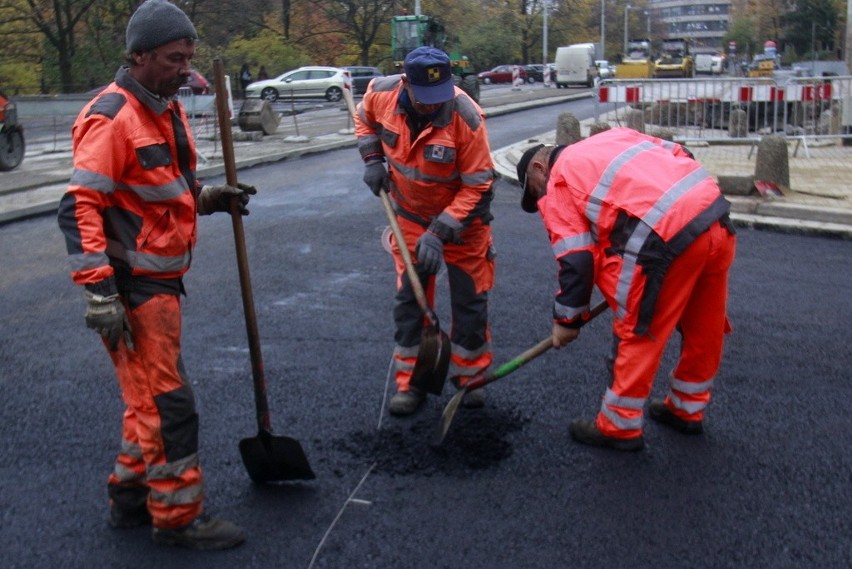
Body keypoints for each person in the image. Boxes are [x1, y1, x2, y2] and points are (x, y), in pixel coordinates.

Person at [56, 0, 255, 550]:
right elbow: (79, 208)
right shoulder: (113, 115)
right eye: (174, 58)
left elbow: (168, 187)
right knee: (169, 406)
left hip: (159, 284)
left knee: (147, 399)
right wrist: (99, 293)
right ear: (138, 55)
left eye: (190, 58)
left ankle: (128, 497)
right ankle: (177, 517)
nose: (186, 70)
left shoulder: (166, 108)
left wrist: (211, 199)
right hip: (129, 286)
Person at [516, 127, 737, 451]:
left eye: (534, 193)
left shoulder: (558, 179)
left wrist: (567, 322)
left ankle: (618, 425)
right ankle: (687, 409)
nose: (539, 201)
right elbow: (680, 154)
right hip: (714, 219)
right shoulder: (613, 137)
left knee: (637, 329)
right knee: (703, 324)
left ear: (539, 168)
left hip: (666, 244)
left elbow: (576, 260)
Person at [354, 46, 496, 416]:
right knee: (411, 303)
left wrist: (442, 230)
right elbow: (362, 118)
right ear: (406, 84)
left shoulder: (466, 118)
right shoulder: (381, 94)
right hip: (410, 218)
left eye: (440, 96)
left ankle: (470, 379)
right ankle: (411, 383)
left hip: (463, 224)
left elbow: (478, 185)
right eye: (425, 98)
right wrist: (372, 160)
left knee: (469, 303)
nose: (434, 105)